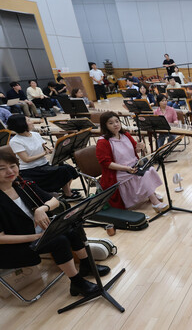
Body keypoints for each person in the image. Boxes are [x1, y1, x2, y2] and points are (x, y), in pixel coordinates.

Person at [0, 149, 110, 297]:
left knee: (72, 225)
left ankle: (87, 265)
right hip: (15, 246)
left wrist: (42, 209)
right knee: (58, 240)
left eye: (12, 166)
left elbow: (54, 200)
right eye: (2, 168)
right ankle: (77, 282)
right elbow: (1, 238)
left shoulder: (21, 184)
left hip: (37, 233)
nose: (10, 171)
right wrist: (35, 237)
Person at [96, 112, 166, 211]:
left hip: (132, 166)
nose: (116, 124)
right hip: (118, 171)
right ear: (105, 125)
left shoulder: (125, 135)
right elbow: (106, 163)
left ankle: (151, 193)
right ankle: (155, 202)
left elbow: (135, 149)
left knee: (148, 169)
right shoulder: (103, 142)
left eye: (117, 121)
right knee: (142, 175)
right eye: (111, 123)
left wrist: (140, 147)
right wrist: (126, 168)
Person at [6, 115, 80, 200]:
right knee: (62, 170)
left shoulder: (35, 134)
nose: (32, 122)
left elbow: (45, 148)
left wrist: (56, 149)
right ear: (22, 124)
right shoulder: (15, 141)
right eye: (29, 121)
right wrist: (44, 153)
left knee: (68, 168)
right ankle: (68, 194)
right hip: (31, 170)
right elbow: (26, 159)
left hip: (44, 165)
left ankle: (65, 192)